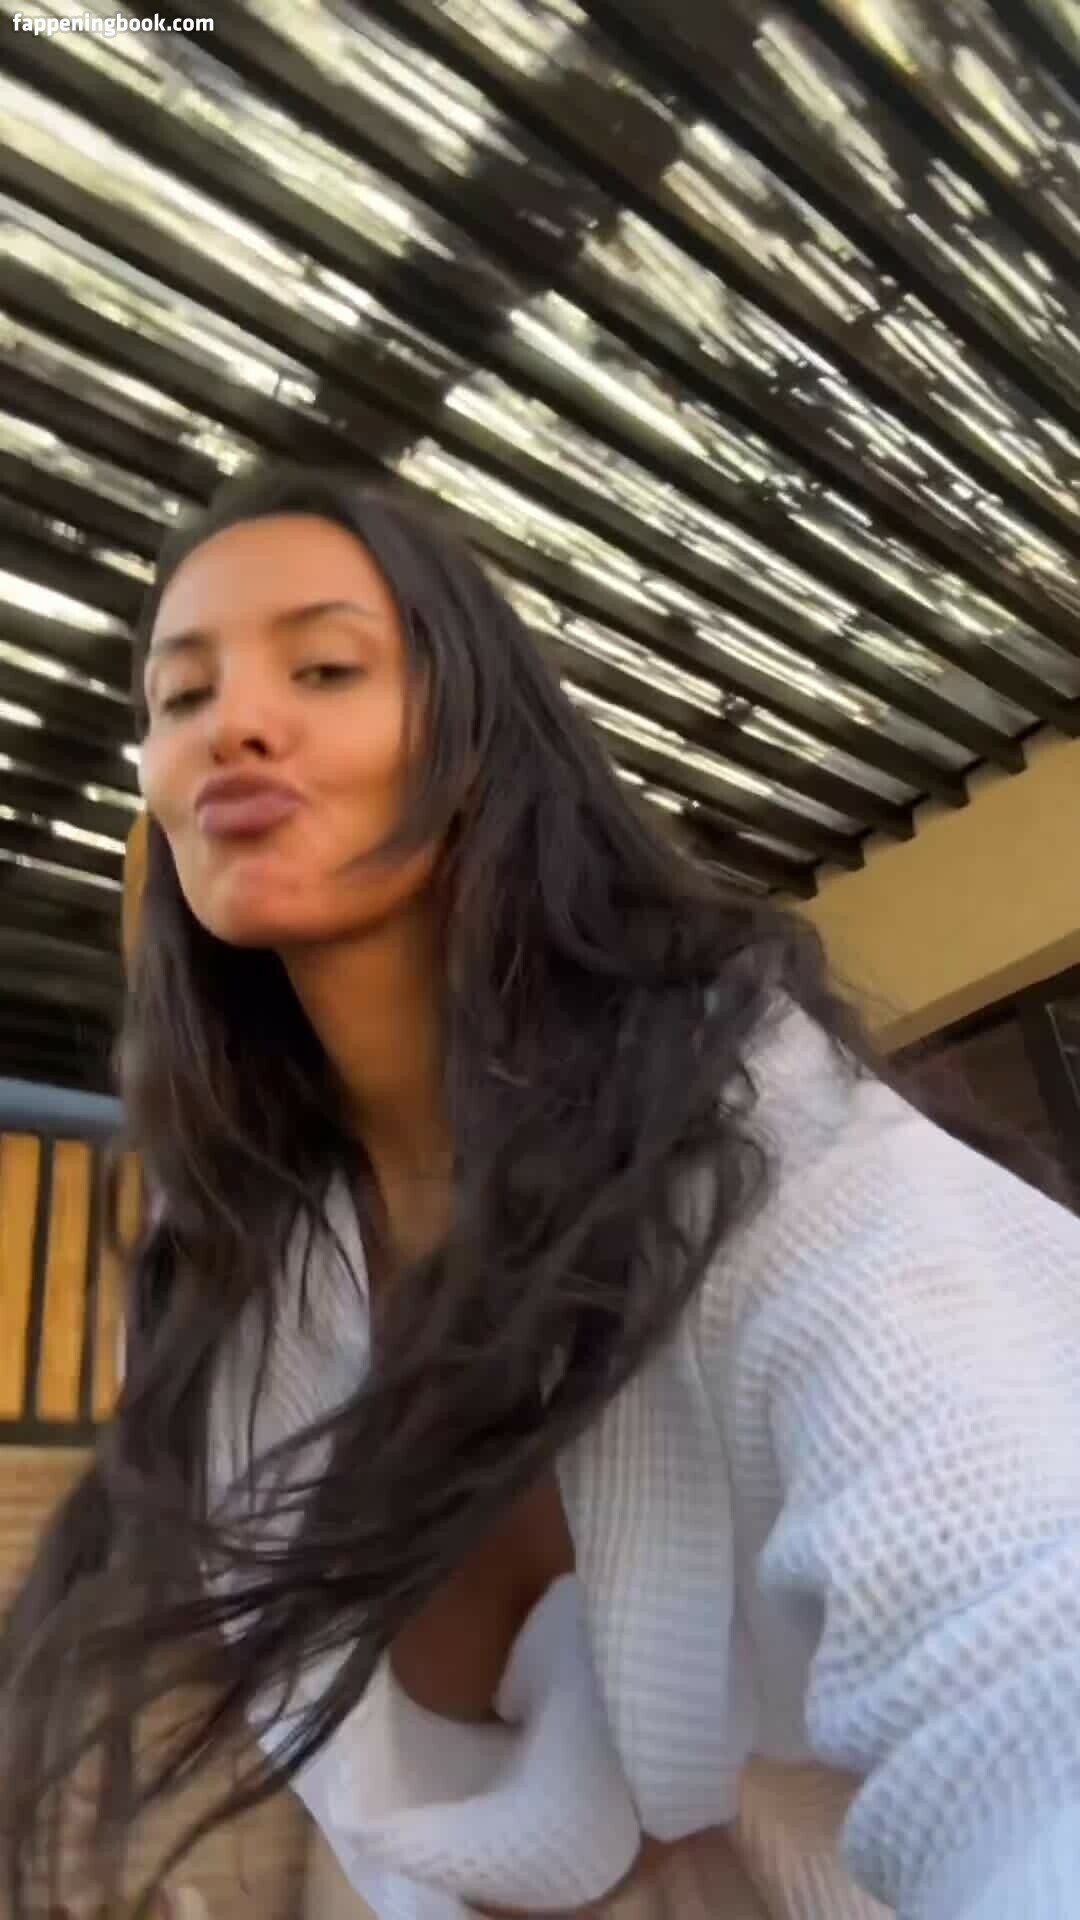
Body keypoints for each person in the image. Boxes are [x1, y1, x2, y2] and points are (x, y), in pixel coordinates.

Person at [2, 466, 1079, 1920]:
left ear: (475, 738)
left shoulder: (765, 1144)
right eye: (181, 696)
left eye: (325, 668)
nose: (234, 723)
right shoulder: (240, 1296)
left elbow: (1028, 1629)